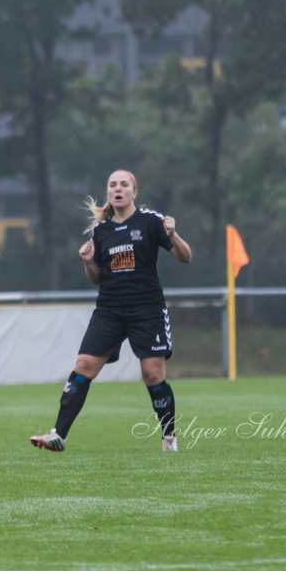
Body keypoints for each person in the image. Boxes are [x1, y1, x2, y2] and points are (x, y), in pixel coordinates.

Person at [30, 169, 192, 454]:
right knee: (83, 367)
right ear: (108, 193)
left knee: (152, 375)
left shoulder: (151, 221)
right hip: (109, 310)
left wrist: (173, 234)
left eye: (124, 184)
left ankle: (169, 438)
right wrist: (88, 262)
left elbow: (185, 257)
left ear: (134, 191)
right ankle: (59, 434)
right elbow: (97, 278)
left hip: (146, 309)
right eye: (112, 185)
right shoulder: (101, 231)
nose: (118, 189)